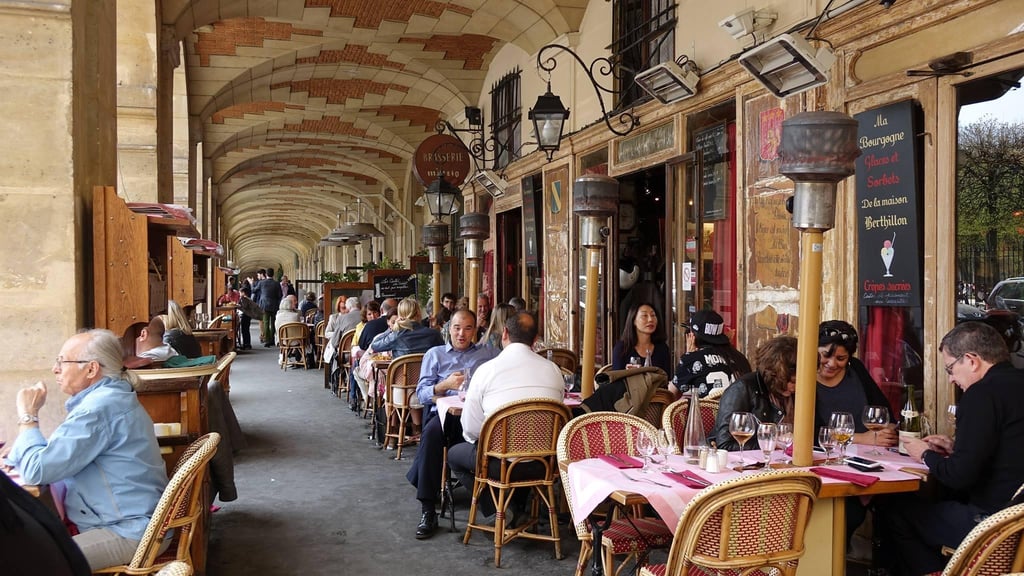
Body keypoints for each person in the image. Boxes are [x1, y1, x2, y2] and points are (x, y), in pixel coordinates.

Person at [4, 329, 168, 571]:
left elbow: (35, 471)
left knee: (27, 565)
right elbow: (52, 456)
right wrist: (22, 451)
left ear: (91, 369)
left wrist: (28, 416)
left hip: (128, 531)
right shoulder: (110, 398)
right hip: (137, 521)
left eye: (62, 361)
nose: (55, 369)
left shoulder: (97, 409)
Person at [880, 322, 1024, 576]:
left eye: (950, 369)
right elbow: (1008, 449)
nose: (951, 379)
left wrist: (924, 454)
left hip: (995, 526)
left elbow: (959, 476)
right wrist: (956, 448)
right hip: (1016, 519)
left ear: (971, 360)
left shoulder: (981, 394)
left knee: (895, 511)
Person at [447, 311, 564, 524]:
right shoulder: (554, 371)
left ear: (505, 333)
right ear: (535, 340)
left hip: (499, 464)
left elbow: (471, 429)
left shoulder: (486, 371)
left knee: (454, 455)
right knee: (518, 450)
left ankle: (495, 509)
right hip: (543, 464)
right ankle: (516, 508)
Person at [405, 309, 498, 539]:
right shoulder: (435, 354)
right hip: (446, 416)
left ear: (475, 331)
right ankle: (428, 510)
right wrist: (444, 385)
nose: (461, 334)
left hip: (478, 416)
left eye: (467, 328)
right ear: (449, 329)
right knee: (431, 434)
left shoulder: (489, 354)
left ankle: (505, 505)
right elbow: (421, 394)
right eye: (457, 328)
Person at [815, 320, 896, 447]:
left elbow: (883, 412)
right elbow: (808, 434)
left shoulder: (855, 368)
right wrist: (860, 438)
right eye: (825, 355)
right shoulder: (801, 378)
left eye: (841, 358)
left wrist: (887, 431)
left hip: (867, 451)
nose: (832, 364)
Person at [713, 335, 798, 451]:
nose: (796, 387)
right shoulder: (742, 389)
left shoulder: (802, 393)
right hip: (743, 460)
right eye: (792, 381)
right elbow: (724, 445)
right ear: (774, 374)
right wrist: (772, 443)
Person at [674, 309, 751, 396]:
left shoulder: (690, 360)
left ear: (693, 336)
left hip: (705, 405)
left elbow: (672, 393)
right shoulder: (740, 358)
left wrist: (688, 356)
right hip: (736, 405)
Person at [610, 302, 672, 377]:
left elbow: (667, 378)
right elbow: (615, 380)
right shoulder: (622, 348)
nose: (650, 319)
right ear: (634, 320)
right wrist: (628, 374)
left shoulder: (662, 348)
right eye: (644, 316)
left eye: (653, 315)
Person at [258, 267, 282, 347]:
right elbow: (280, 295)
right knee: (273, 322)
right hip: (274, 305)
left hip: (264, 305)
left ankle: (267, 339)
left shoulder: (262, 282)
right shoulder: (277, 283)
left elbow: (254, 289)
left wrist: (251, 283)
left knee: (266, 322)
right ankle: (272, 339)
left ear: (266, 274)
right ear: (273, 274)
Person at [236, 284, 261, 350]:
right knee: (246, 330)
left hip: (245, 315)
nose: (239, 294)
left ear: (243, 293)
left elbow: (245, 306)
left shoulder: (244, 298)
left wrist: (238, 306)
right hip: (248, 315)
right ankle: (247, 344)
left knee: (244, 330)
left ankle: (246, 344)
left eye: (240, 292)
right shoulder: (248, 298)